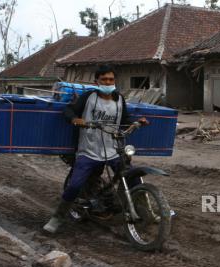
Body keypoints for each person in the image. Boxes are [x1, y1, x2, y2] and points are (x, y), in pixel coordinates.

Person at [43, 65, 147, 233]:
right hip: (88, 150)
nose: (108, 82)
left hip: (113, 148)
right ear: (96, 81)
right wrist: (77, 120)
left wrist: (137, 121)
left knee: (132, 176)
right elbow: (69, 110)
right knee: (75, 185)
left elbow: (124, 119)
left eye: (111, 79)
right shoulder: (88, 97)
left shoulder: (119, 98)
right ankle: (57, 217)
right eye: (104, 79)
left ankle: (147, 210)